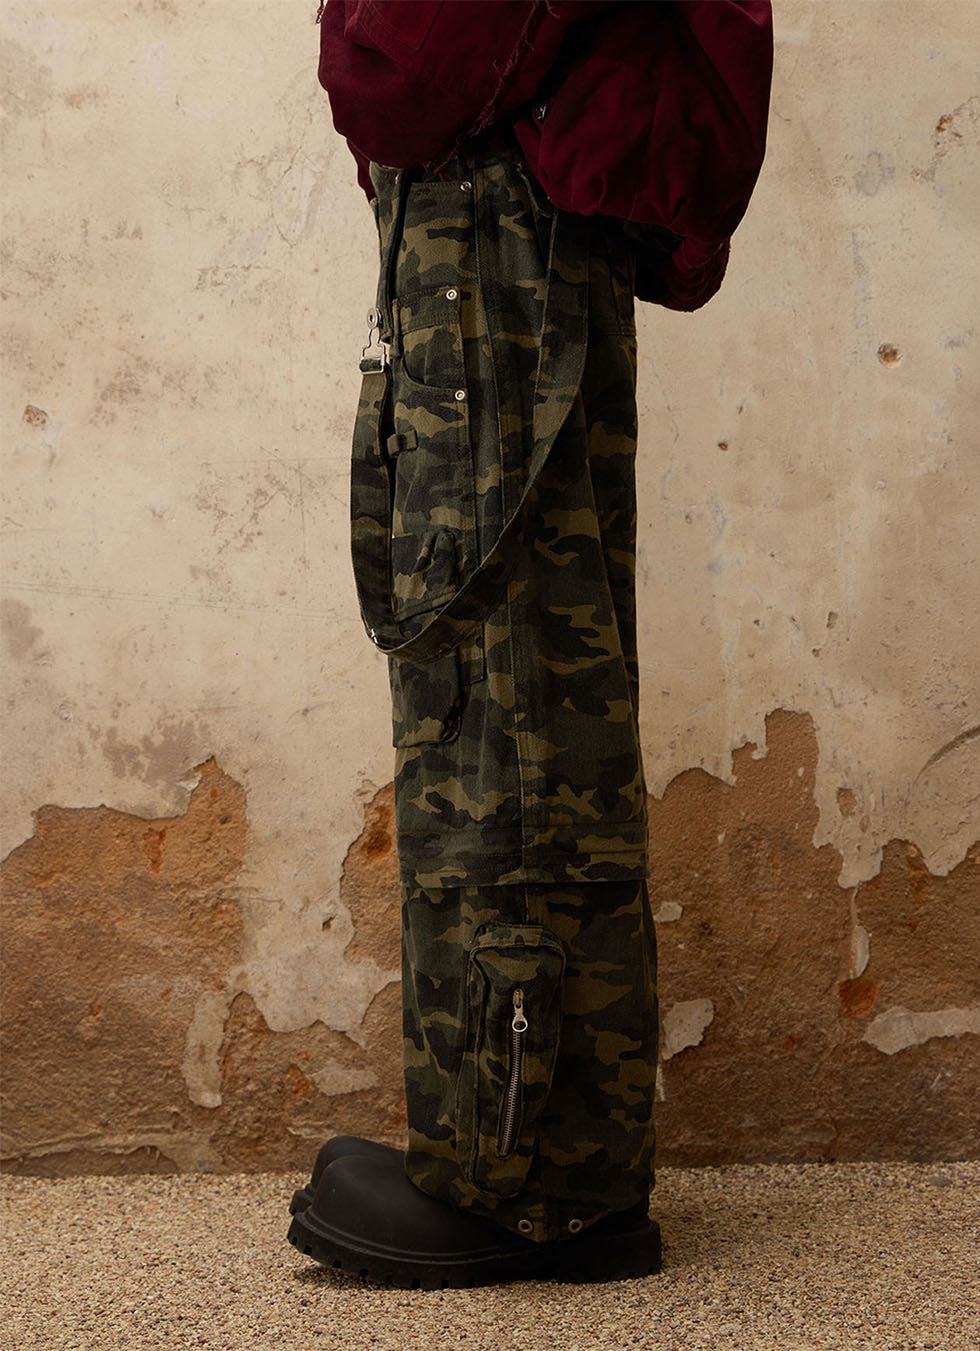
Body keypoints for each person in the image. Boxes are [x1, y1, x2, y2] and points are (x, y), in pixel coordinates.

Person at [287, 0, 773, 1290]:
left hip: (496, 227)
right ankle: (563, 1162)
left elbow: (416, 63)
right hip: (517, 229)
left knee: (504, 704)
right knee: (532, 685)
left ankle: (522, 1189)